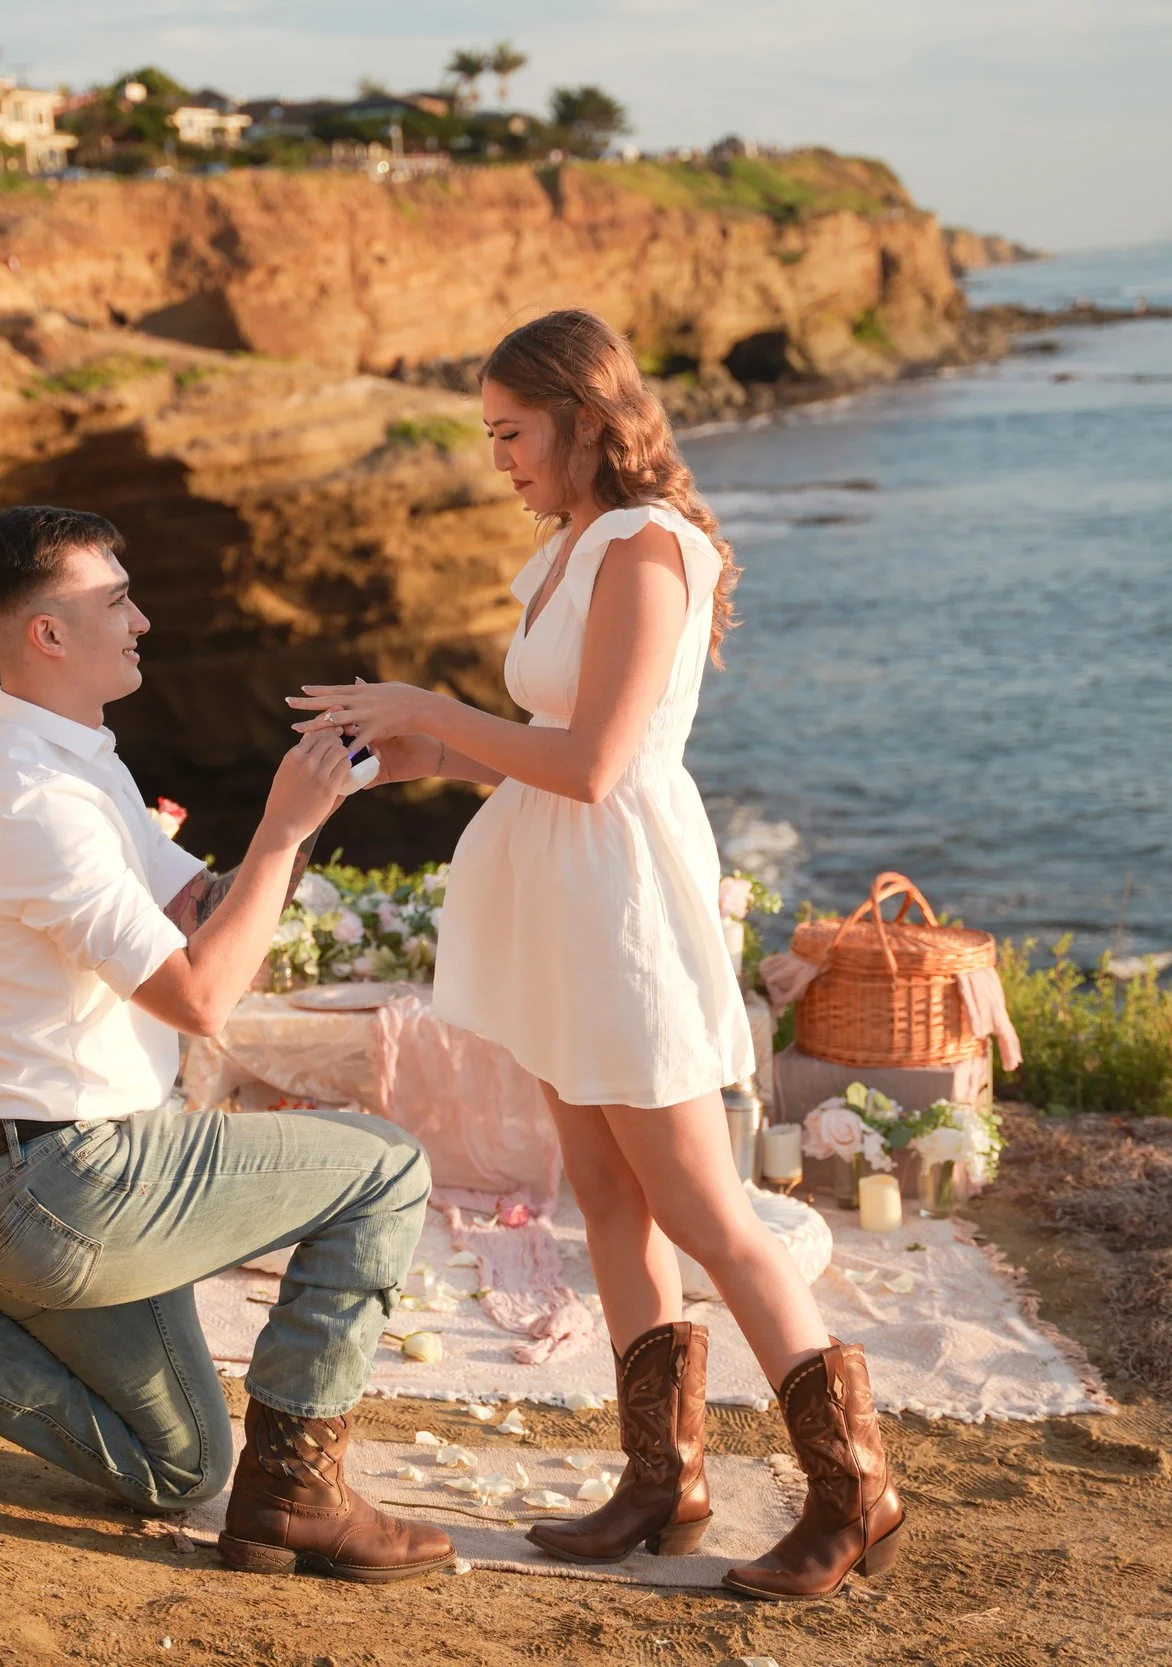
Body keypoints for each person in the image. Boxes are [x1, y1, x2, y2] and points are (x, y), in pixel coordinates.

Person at [287, 310, 903, 1601]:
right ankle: (659, 1476)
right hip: (563, 896)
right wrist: (427, 752)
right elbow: (543, 737)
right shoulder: (573, 544)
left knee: (703, 1208)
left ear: (581, 417)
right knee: (604, 1194)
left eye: (512, 431)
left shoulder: (645, 545)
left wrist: (434, 708)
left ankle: (856, 1488)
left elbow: (597, 761)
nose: (498, 455)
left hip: (619, 901)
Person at [0, 505, 454, 1584]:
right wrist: (284, 828)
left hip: (35, 1176)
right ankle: (296, 1497)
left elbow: (201, 911)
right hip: (66, 1179)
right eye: (116, 602)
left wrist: (328, 794)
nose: (143, 618)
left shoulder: (74, 758)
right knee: (386, 1170)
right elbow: (199, 997)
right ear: (48, 635)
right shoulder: (32, 799)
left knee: (182, 1464)